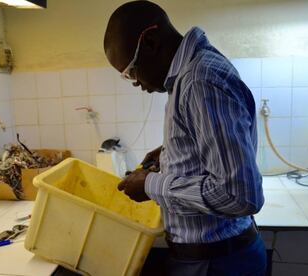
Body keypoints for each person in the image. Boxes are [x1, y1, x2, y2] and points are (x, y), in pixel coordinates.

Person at [104, 1, 266, 275]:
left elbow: (240, 195)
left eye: (130, 70)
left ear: (151, 42)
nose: (133, 81)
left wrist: (152, 185)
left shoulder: (201, 80)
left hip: (217, 264)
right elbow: (210, 144)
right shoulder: (192, 73)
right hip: (210, 259)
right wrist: (170, 153)